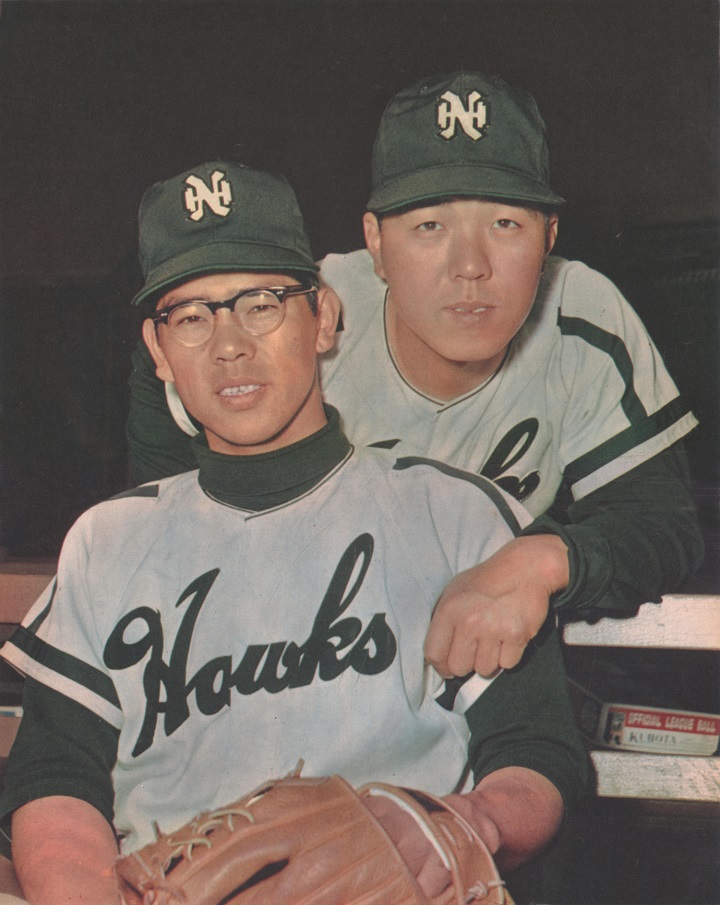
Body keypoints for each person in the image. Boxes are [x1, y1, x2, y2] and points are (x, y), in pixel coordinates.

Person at [0, 163, 586, 904]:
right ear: (159, 351)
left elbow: (535, 752)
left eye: (261, 304)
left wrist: (468, 824)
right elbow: (55, 779)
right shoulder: (107, 542)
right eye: (192, 316)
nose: (229, 346)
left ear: (325, 317)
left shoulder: (455, 516)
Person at [126, 71, 704, 679]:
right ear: (375, 242)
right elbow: (168, 531)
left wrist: (540, 561)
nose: (470, 266)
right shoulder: (296, 321)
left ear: (549, 237)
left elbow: (661, 527)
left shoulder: (581, 317)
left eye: (505, 224)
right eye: (430, 226)